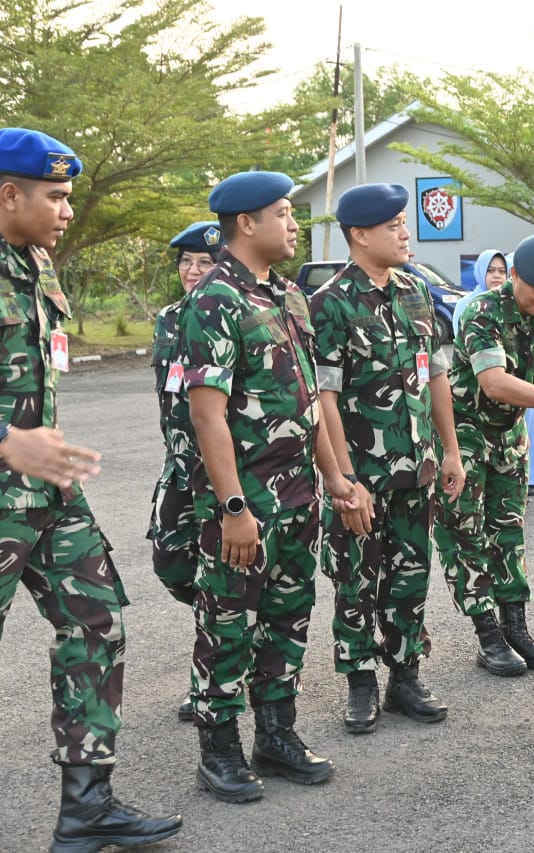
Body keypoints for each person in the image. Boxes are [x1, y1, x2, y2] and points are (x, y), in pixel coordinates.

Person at [0, 127, 182, 852]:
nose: (68, 210)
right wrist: (2, 437)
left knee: (98, 622)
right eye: (57, 196)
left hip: (47, 494)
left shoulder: (35, 260)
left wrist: (33, 447)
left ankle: (87, 806)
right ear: (9, 195)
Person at [176, 171, 364, 804]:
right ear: (247, 223)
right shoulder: (215, 299)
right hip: (242, 500)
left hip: (297, 497)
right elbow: (207, 413)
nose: (295, 224)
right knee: (227, 622)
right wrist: (231, 507)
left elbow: (306, 401)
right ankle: (219, 748)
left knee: (288, 615)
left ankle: (276, 733)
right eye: (284, 213)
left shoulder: (286, 296)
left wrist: (335, 476)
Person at [309, 183, 466, 735]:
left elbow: (437, 376)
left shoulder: (416, 293)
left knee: (410, 575)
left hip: (417, 469)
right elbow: (322, 398)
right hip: (363, 477)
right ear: (360, 235)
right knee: (355, 579)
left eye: (404, 223)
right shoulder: (328, 304)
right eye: (394, 225)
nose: (405, 233)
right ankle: (358, 681)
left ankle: (406, 676)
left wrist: (450, 450)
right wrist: (344, 480)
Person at [434, 234, 534, 677]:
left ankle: (516, 627)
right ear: (516, 277)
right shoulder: (480, 311)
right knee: (465, 532)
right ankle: (488, 635)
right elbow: (495, 382)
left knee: (509, 530)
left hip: (509, 433)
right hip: (465, 431)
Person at [148, 220, 223, 723]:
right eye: (185, 262)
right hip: (179, 469)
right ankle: (232, 639)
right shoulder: (169, 318)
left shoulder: (232, 313)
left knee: (222, 584)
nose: (192, 271)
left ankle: (211, 687)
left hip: (223, 475)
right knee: (172, 565)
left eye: (204, 262)